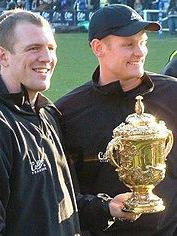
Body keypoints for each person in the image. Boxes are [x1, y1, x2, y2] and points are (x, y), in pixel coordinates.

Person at [0, 9, 140, 235]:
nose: (46, 58)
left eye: (51, 48)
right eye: (33, 48)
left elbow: (57, 204)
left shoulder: (45, 114)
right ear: (3, 56)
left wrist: (107, 208)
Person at [55, 4, 177, 236]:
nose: (140, 52)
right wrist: (105, 208)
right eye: (128, 44)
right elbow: (62, 197)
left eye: (143, 42)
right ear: (98, 48)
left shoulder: (173, 95)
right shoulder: (67, 112)